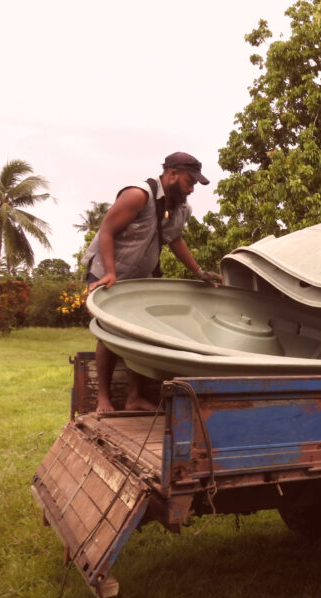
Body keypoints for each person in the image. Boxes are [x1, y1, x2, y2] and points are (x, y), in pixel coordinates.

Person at [83, 152, 222, 413]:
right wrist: (110, 273)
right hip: (108, 272)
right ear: (171, 175)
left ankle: (134, 398)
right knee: (108, 332)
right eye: (189, 182)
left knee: (140, 334)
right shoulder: (138, 195)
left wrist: (199, 271)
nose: (191, 189)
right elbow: (107, 230)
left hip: (140, 278)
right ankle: (103, 398)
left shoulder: (180, 207)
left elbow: (175, 239)